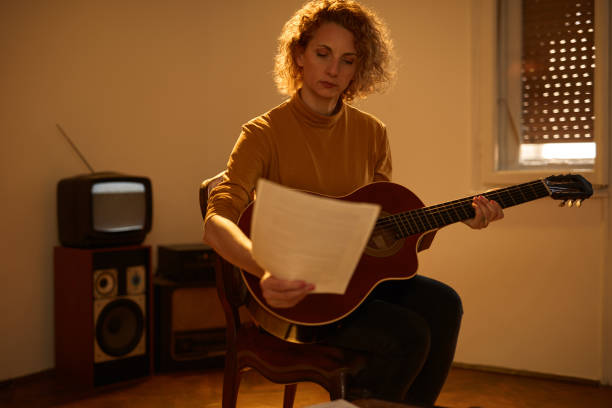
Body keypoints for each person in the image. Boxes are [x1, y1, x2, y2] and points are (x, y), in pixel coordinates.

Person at [203, 0, 504, 406]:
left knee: (444, 304)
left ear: (358, 69)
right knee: (407, 334)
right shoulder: (262, 133)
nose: (333, 70)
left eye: (348, 60)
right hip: (287, 294)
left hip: (352, 284)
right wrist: (264, 266)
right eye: (323, 54)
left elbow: (385, 232)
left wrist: (456, 218)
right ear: (299, 55)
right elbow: (216, 222)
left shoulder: (372, 133)